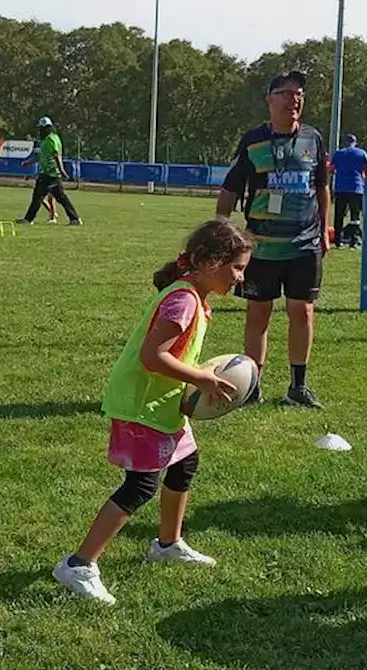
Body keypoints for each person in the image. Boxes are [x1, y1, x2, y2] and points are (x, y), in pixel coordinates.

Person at [53, 220, 254, 605]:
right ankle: (78, 565)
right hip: (140, 405)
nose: (241, 278)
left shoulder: (195, 296)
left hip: (159, 403)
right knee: (140, 486)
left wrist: (188, 390)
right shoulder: (183, 301)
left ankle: (167, 544)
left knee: (185, 464)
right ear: (210, 262)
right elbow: (152, 356)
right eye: (237, 268)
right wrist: (203, 379)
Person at [215, 70, 329, 409]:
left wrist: (324, 228)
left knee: (302, 312)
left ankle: (298, 386)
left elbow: (322, 185)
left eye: (299, 94)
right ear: (269, 99)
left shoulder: (313, 138)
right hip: (261, 246)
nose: (294, 99)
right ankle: (252, 385)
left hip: (304, 243)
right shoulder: (252, 140)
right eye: (285, 93)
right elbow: (230, 189)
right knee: (258, 313)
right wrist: (221, 233)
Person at [17, 116, 82, 226]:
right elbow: (42, 156)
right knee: (61, 198)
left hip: (49, 174)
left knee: (37, 197)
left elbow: (57, 155)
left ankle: (28, 220)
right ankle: (75, 219)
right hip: (50, 174)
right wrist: (29, 162)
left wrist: (61, 170)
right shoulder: (48, 140)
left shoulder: (51, 139)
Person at [331, 133, 367, 249]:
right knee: (355, 216)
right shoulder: (362, 153)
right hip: (356, 188)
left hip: (341, 188)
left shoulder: (339, 153)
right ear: (355, 142)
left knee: (339, 215)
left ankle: (338, 241)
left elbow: (331, 169)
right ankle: (354, 240)